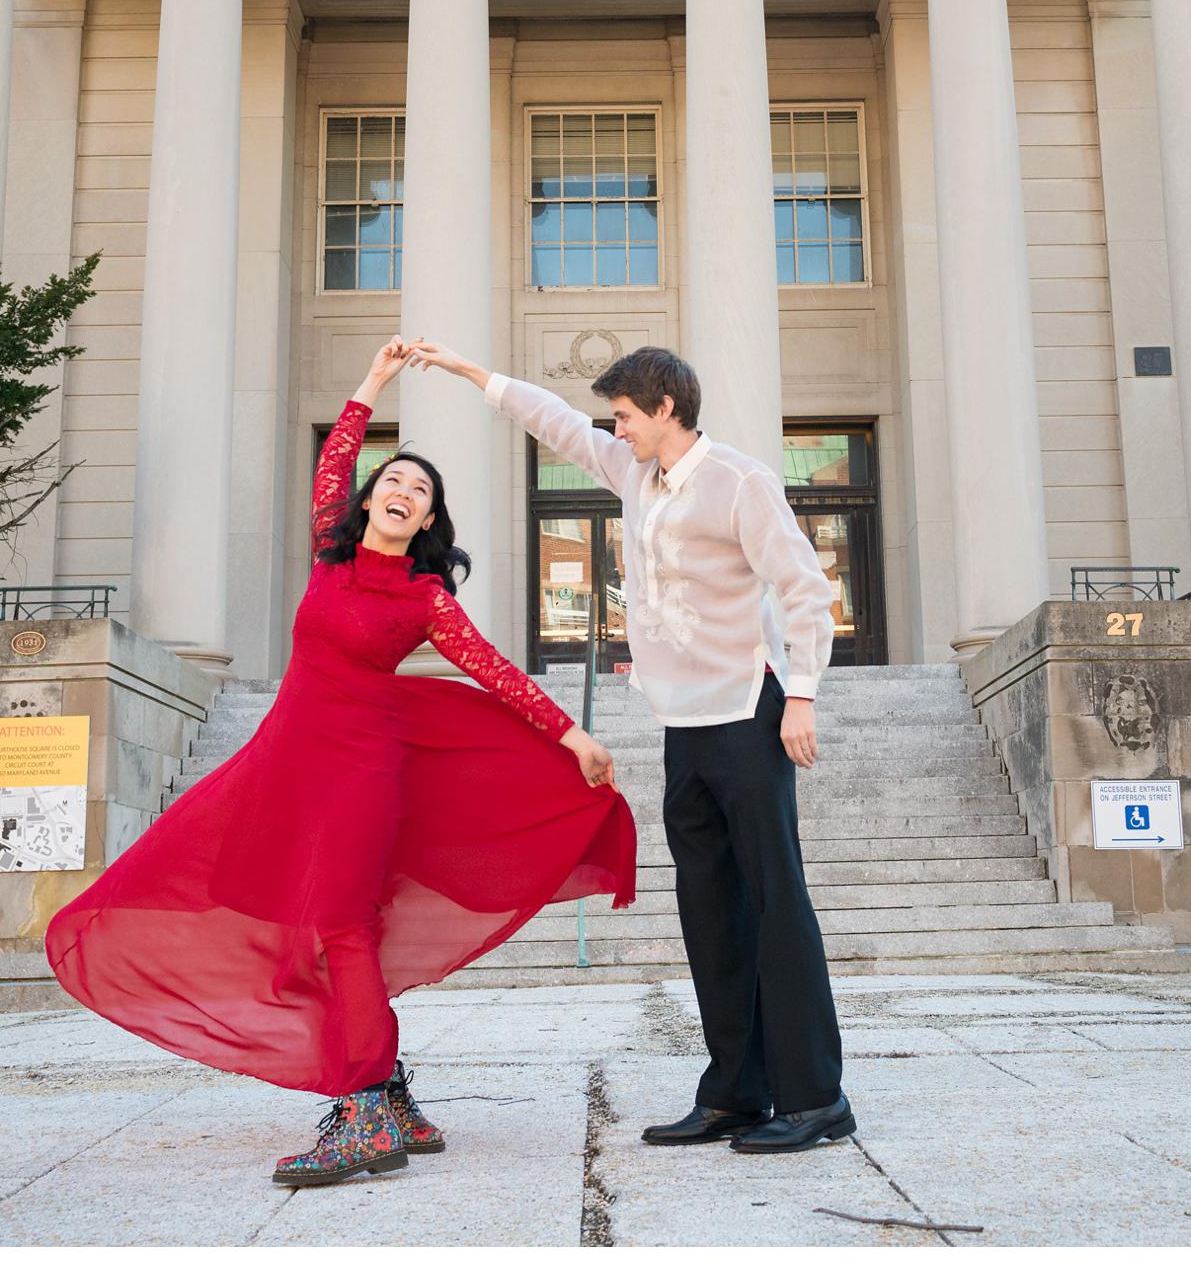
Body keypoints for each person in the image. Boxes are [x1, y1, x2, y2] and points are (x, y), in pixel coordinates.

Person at [45, 336, 637, 1187]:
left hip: (362, 773)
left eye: (419, 490)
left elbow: (491, 669)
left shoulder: (425, 598)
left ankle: (363, 1108)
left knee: (341, 928)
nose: (401, 491)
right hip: (286, 763)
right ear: (367, 504)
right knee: (258, 898)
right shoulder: (331, 549)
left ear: (429, 521)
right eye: (391, 481)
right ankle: (387, 1093)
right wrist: (373, 381)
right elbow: (335, 460)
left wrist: (570, 735)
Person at [408, 338, 853, 1153]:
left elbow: (804, 588)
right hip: (682, 727)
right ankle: (735, 1094)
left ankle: (817, 1097)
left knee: (776, 901)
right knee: (710, 912)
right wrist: (473, 374)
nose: (613, 430)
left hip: (748, 716)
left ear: (665, 410)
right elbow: (552, 423)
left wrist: (802, 696)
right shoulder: (631, 473)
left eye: (623, 416)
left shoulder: (740, 482)